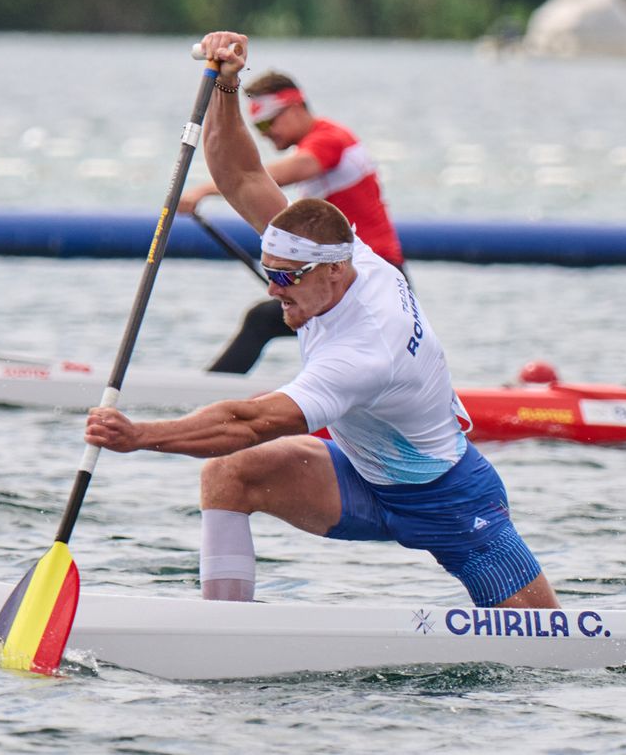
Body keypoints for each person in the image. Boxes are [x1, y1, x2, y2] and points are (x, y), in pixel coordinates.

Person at [85, 31, 558, 611]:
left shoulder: (365, 349)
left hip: (451, 503)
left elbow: (251, 420)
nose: (274, 287)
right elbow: (240, 177)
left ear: (333, 274)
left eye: (288, 278)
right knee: (228, 476)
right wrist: (225, 84)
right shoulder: (343, 255)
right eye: (270, 271)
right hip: (361, 477)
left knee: (543, 641)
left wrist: (141, 437)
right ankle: (224, 631)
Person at [178, 67, 408, 374]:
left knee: (262, 320)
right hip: (350, 272)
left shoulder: (330, 139)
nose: (267, 132)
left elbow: (277, 174)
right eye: (259, 127)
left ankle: (204, 397)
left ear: (297, 106)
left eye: (271, 121)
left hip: (374, 274)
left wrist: (204, 190)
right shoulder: (320, 141)